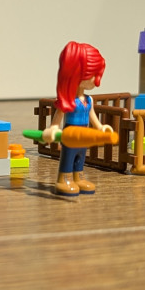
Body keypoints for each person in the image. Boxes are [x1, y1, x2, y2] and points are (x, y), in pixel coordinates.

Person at [41, 42, 114, 195]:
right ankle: (64, 179)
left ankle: (78, 177)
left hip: (84, 135)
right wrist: (53, 129)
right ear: (77, 73)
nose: (97, 80)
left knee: (81, 156)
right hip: (70, 135)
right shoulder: (68, 101)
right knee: (68, 156)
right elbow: (57, 119)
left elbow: (92, 116)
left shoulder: (89, 100)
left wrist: (101, 127)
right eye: (94, 75)